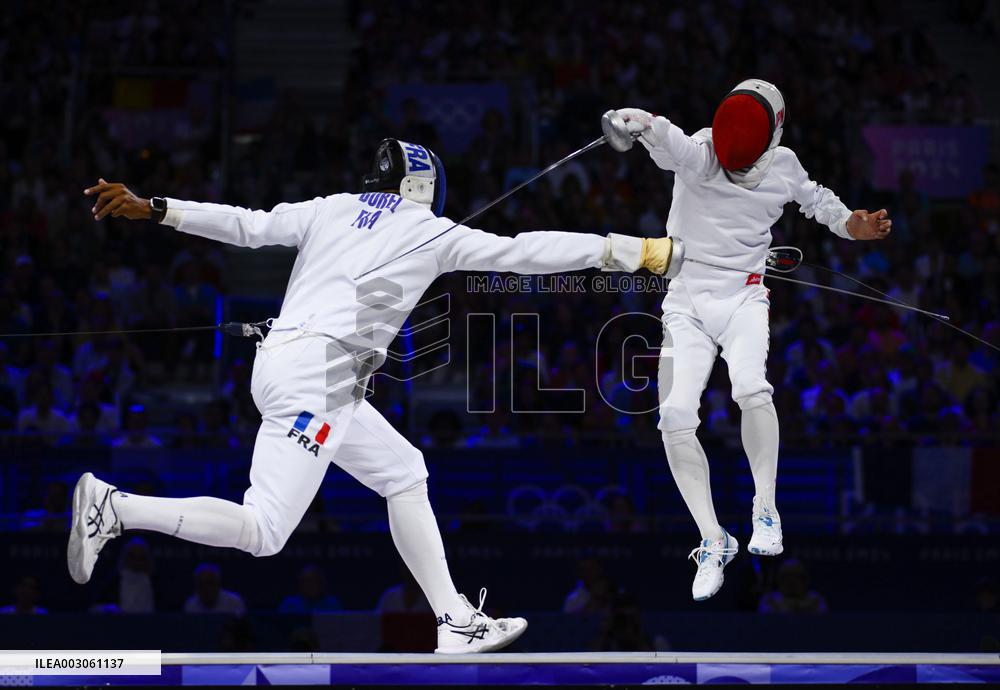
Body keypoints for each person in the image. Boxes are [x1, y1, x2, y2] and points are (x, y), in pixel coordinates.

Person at [68, 138, 679, 654]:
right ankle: (115, 508)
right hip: (321, 377)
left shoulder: (331, 208)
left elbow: (247, 226)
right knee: (264, 530)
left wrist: (157, 208)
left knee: (405, 472)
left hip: (294, 366)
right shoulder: (430, 230)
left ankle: (455, 621)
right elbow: (525, 252)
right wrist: (632, 252)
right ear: (423, 184)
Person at [612, 78, 892, 601]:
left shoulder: (783, 165)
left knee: (751, 388)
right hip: (687, 303)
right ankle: (714, 539)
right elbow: (664, 136)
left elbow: (825, 209)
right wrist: (636, 120)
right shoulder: (700, 151)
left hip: (744, 298)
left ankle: (766, 508)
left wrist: (858, 225)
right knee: (673, 417)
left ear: (772, 133)